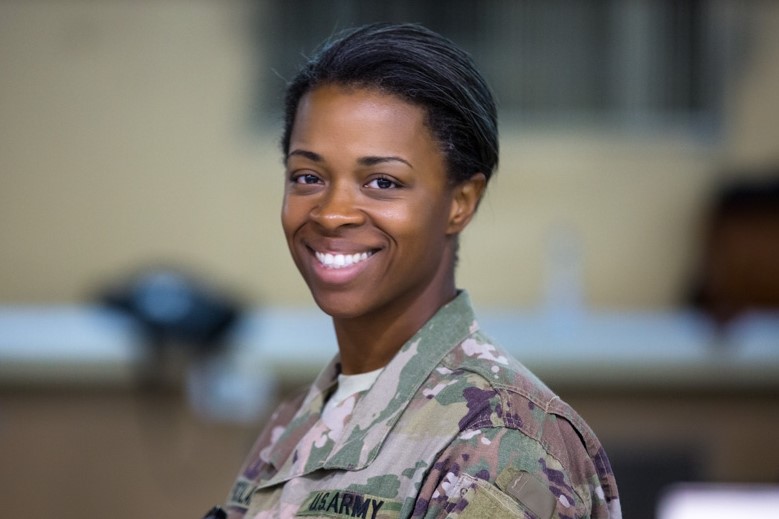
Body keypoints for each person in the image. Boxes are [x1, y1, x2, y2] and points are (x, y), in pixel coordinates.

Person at [212, 22, 621, 518]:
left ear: (460, 202)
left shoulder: (499, 442)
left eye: (382, 181)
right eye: (308, 176)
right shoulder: (294, 423)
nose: (332, 212)